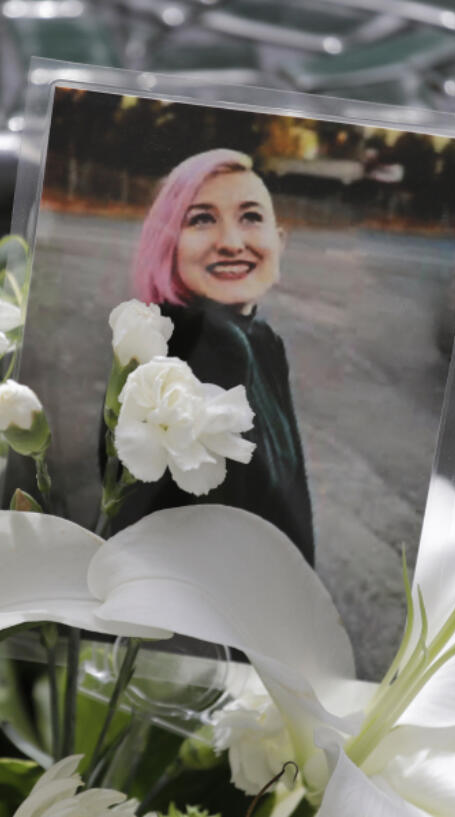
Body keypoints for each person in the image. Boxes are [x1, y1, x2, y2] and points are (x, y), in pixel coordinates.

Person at [109, 148, 315, 564]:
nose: (231, 243)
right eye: (201, 218)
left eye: (251, 217)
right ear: (168, 243)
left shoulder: (262, 340)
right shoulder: (193, 345)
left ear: (280, 239)